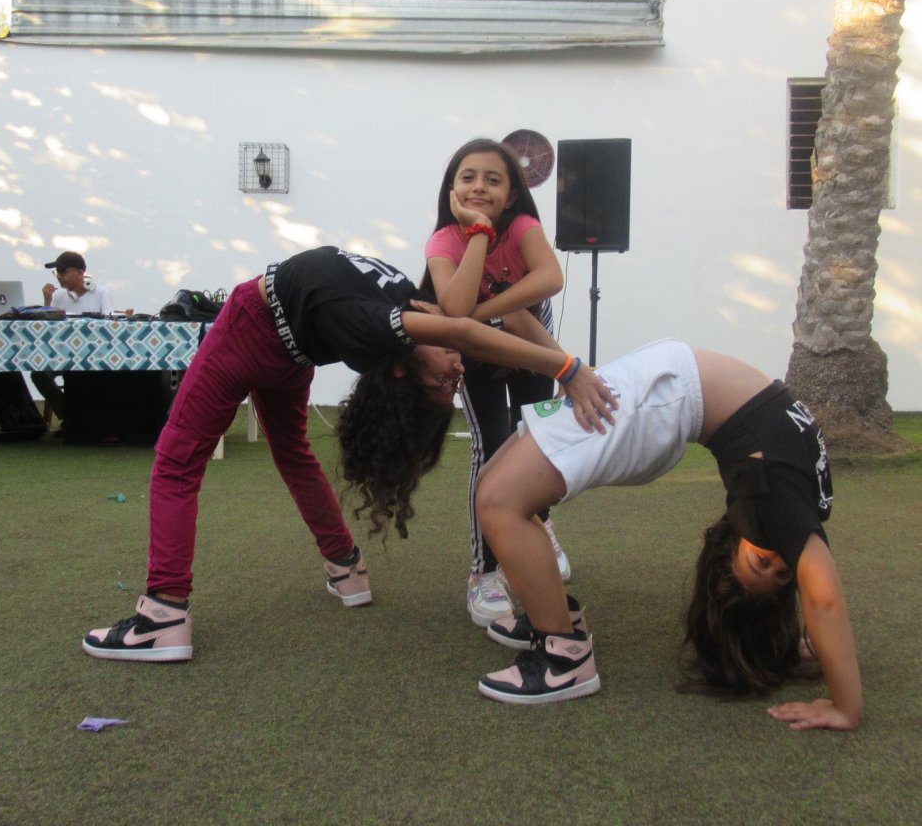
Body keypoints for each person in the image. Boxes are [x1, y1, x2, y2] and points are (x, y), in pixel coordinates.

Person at [82, 245, 618, 662]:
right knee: (293, 453)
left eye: (443, 382)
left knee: (177, 460)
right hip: (293, 347)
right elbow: (497, 322)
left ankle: (163, 615)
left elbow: (463, 332)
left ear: (404, 368)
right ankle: (346, 568)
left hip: (253, 326)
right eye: (452, 382)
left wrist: (566, 369)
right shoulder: (419, 312)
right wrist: (564, 363)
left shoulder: (387, 328)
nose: (458, 372)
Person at [473, 339, 862, 732]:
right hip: (667, 389)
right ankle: (555, 613)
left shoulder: (789, 500)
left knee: (497, 500)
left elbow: (821, 598)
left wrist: (831, 685)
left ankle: (564, 661)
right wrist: (840, 699)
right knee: (493, 487)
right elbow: (823, 597)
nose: (779, 556)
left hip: (665, 393)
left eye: (763, 563)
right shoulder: (778, 508)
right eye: (782, 571)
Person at [423, 137, 570, 628]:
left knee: (535, 440)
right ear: (451, 188)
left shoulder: (524, 227)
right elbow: (454, 306)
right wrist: (479, 233)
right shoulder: (444, 241)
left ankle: (539, 526)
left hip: (529, 346)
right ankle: (484, 573)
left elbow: (549, 279)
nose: (479, 186)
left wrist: (483, 312)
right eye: (467, 177)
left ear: (512, 195)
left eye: (493, 179)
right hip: (479, 354)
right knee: (491, 446)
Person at [32, 250, 122, 421]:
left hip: (94, 354)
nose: (59, 277)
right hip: (62, 354)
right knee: (39, 374)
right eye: (57, 272)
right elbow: (48, 329)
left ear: (81, 272)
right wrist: (47, 302)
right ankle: (69, 416)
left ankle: (77, 418)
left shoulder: (101, 293)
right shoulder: (58, 295)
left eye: (63, 271)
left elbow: (110, 327)